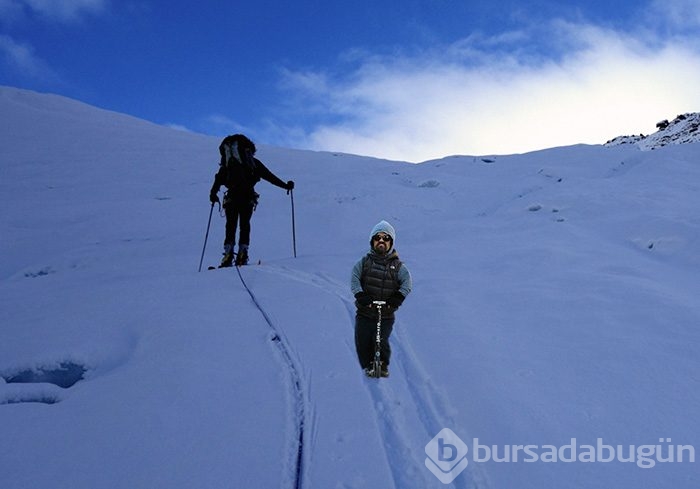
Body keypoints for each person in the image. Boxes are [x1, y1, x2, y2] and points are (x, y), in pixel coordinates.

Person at [209, 134, 294, 267]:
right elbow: (270, 177)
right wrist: (286, 186)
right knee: (245, 225)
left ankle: (228, 254)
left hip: (231, 198)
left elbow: (218, 179)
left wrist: (213, 194)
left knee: (230, 225)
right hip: (247, 198)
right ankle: (243, 253)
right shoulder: (253, 163)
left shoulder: (227, 164)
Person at [350, 220, 412, 377]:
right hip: (365, 310)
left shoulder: (397, 266)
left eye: (386, 238)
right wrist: (360, 294)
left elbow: (407, 282)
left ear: (391, 243)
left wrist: (397, 298)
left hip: (386, 312)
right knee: (362, 339)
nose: (382, 241)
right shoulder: (365, 263)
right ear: (372, 241)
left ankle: (382, 365)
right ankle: (366, 366)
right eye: (378, 238)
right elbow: (354, 278)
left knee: (381, 339)